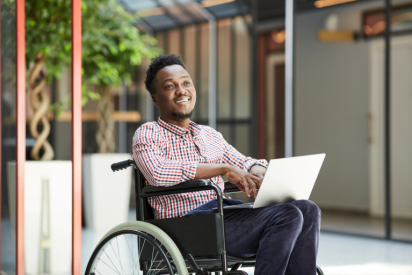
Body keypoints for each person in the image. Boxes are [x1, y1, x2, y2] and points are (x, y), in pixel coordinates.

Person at [133, 54, 321, 275]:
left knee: (307, 209)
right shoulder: (148, 133)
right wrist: (222, 169)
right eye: (170, 86)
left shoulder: (210, 135)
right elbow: (157, 173)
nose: (181, 90)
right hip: (185, 226)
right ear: (155, 98)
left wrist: (258, 170)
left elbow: (243, 162)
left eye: (186, 83)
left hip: (222, 215)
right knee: (287, 216)